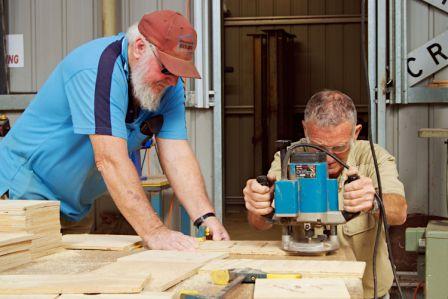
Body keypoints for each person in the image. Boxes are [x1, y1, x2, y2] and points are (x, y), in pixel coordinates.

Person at [0, 10, 229, 250]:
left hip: (74, 209)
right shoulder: (97, 67)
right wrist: (155, 232)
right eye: (167, 69)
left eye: (179, 72)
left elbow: (177, 154)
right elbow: (110, 159)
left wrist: (206, 218)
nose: (173, 81)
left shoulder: (169, 87)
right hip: (21, 196)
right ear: (139, 47)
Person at [243, 90, 407, 298]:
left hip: (365, 291)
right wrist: (258, 203)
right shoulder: (288, 158)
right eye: (318, 146)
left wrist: (373, 201)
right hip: (306, 288)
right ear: (305, 129)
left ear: (355, 133)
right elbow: (259, 223)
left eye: (338, 147)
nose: (329, 158)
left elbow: (399, 212)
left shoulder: (374, 157)